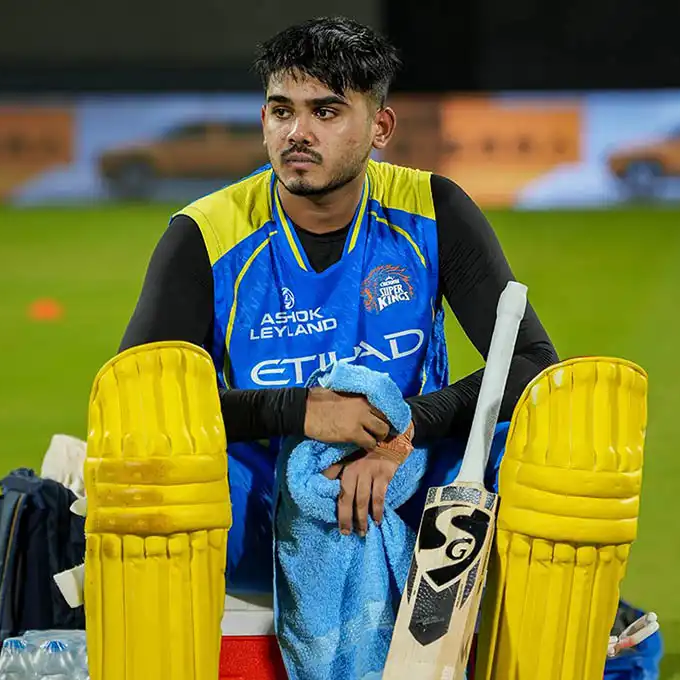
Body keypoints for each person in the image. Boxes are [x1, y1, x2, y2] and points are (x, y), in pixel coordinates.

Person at [118, 16, 558, 594]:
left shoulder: (433, 210)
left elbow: (533, 363)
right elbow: (139, 398)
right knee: (148, 473)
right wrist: (298, 410)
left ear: (380, 127)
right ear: (264, 120)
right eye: (282, 111)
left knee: (540, 452)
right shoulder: (205, 234)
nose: (298, 132)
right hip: (259, 499)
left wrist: (404, 431)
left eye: (325, 112)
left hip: (410, 477)